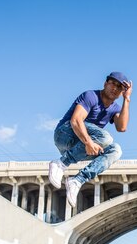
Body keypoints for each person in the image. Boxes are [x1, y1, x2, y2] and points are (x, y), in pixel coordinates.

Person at [48, 72, 132, 209]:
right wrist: (88, 142)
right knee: (106, 138)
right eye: (113, 84)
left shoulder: (115, 108)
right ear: (105, 83)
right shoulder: (91, 96)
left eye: (120, 87)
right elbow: (75, 120)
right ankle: (60, 163)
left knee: (116, 150)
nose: (115, 88)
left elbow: (122, 127)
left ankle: (77, 180)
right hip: (65, 134)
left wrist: (127, 99)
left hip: (80, 147)